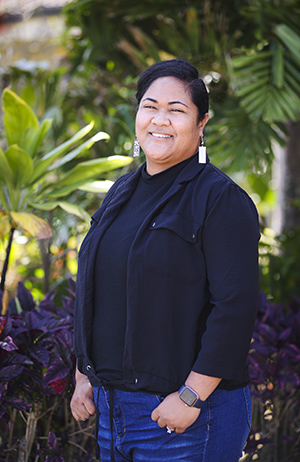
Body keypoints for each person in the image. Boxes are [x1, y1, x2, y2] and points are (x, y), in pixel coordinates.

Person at [70, 59, 260, 462]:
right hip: (112, 410)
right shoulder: (122, 191)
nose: (160, 120)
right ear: (137, 113)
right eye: (150, 106)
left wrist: (190, 397)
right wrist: (85, 372)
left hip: (185, 417)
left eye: (177, 110)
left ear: (201, 122)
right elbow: (100, 286)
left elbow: (235, 308)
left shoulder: (220, 200)